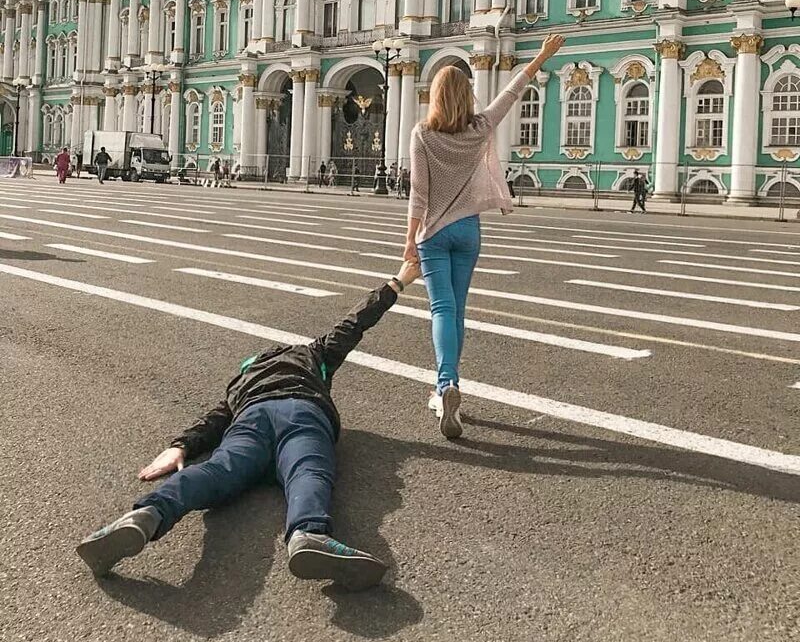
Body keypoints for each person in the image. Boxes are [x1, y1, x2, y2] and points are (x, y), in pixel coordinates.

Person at [76, 260, 421, 589]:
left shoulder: (240, 383)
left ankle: (148, 513)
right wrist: (397, 282)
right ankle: (308, 533)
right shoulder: (312, 354)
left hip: (252, 417)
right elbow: (354, 322)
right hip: (303, 411)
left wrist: (179, 446)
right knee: (308, 471)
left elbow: (212, 421)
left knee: (217, 469)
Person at [404, 33, 565, 439]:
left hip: (433, 233)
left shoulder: (422, 134)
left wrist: (409, 241)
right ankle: (447, 385)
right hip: (469, 231)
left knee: (441, 309)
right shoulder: (480, 128)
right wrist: (542, 56)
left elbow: (419, 194)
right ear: (467, 95)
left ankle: (446, 384)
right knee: (457, 310)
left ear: (435, 96)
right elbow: (512, 93)